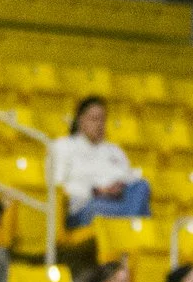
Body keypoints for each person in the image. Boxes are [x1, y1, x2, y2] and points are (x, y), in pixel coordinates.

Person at [49, 97, 148, 226]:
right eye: (94, 119)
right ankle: (133, 226)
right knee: (142, 213)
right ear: (80, 120)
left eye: (103, 119)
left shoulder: (115, 150)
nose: (99, 124)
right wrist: (97, 191)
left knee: (142, 185)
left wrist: (120, 186)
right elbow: (57, 186)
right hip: (85, 206)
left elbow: (130, 177)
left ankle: (129, 225)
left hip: (119, 203)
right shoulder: (63, 146)